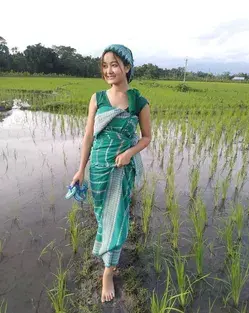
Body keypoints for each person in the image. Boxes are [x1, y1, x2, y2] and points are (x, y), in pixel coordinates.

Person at [71, 44, 151, 303]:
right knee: (102, 216)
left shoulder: (139, 101)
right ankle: (107, 255)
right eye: (105, 65)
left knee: (116, 218)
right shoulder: (98, 98)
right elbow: (88, 136)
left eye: (114, 64)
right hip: (98, 168)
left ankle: (107, 272)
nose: (109, 70)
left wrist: (129, 153)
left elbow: (147, 137)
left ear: (127, 67)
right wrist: (81, 169)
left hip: (121, 171)